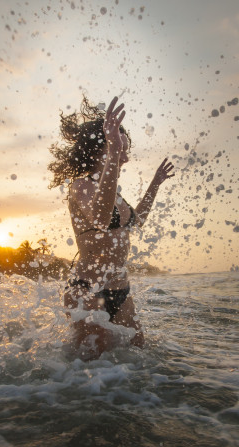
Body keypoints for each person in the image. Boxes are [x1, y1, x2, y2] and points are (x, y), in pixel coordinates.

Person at [48, 96, 175, 359]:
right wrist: (114, 153)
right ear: (99, 149)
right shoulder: (81, 186)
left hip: (120, 289)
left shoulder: (114, 193)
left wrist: (156, 183)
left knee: (138, 352)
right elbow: (100, 220)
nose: (125, 156)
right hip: (87, 288)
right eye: (119, 147)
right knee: (93, 363)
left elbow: (136, 221)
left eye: (125, 149)